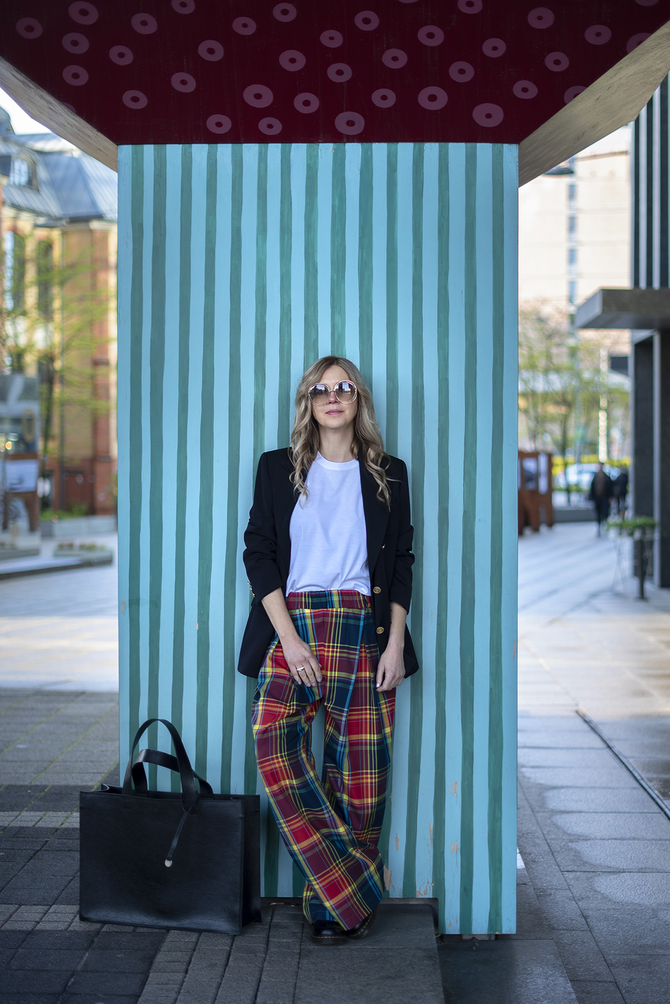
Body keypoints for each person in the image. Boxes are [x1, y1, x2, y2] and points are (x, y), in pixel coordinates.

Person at [238, 355, 418, 946]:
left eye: (344, 387)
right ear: (308, 403)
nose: (333, 397)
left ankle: (334, 908)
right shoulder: (276, 469)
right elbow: (258, 554)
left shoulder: (389, 473)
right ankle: (362, 884)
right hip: (296, 625)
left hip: (365, 629)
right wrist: (288, 640)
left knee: (361, 778)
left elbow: (400, 563)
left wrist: (393, 641)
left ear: (359, 399)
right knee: (273, 743)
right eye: (321, 389)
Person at [588, 463, 614, 535]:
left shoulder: (607, 477)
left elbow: (610, 487)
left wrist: (611, 496)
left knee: (605, 512)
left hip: (605, 498)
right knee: (598, 512)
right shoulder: (595, 477)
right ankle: (599, 526)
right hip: (597, 498)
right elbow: (592, 488)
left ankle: (604, 525)